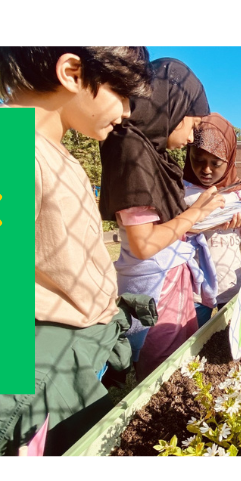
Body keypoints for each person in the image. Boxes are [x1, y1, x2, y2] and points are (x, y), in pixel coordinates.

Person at [0, 47, 159, 456]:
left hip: (74, 352)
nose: (126, 112)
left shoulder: (54, 149)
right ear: (72, 72)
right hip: (39, 363)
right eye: (121, 94)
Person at [99, 58, 224, 381]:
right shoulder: (131, 150)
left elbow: (160, 226)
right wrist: (194, 213)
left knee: (180, 364)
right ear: (171, 105)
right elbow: (144, 243)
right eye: (192, 125)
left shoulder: (151, 152)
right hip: (155, 286)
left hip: (170, 280)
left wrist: (201, 215)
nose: (191, 137)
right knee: (161, 373)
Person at [183, 113, 241, 309]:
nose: (206, 169)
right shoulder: (182, 190)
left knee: (229, 335)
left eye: (216, 163)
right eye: (198, 160)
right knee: (196, 336)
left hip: (230, 282)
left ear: (230, 159)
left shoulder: (237, 191)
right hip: (195, 288)